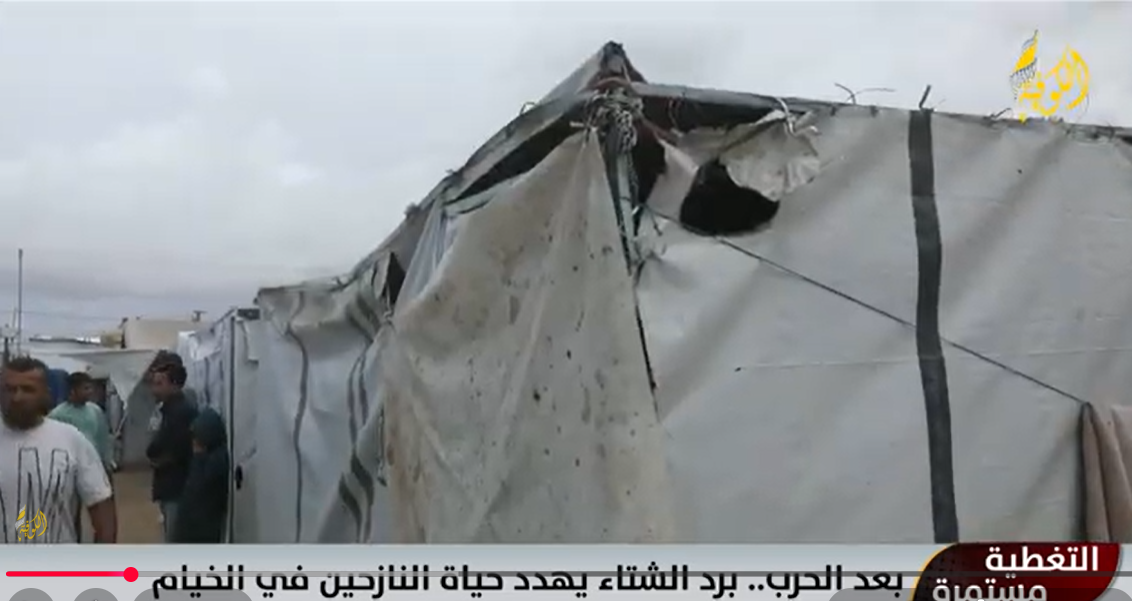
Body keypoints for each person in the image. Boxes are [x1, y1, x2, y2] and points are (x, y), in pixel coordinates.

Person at [0, 356, 117, 543]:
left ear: (46, 394)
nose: (17, 397)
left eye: (28, 389)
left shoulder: (71, 439)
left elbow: (101, 506)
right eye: (10, 389)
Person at [48, 371, 115, 542]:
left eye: (90, 388)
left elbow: (103, 437)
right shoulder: (57, 415)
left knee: (101, 512)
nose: (90, 392)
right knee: (71, 513)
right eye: (85, 388)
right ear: (73, 390)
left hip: (95, 467)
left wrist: (107, 463)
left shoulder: (95, 411)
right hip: (70, 470)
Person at [145, 361, 198, 543]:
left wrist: (157, 459)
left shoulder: (180, 413)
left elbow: (178, 450)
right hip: (171, 482)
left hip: (177, 483)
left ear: (175, 385)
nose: (154, 389)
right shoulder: (168, 410)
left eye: (160, 384)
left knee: (175, 538)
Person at [172, 407, 229, 543]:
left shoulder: (214, 461)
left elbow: (197, 489)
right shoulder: (212, 458)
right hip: (197, 527)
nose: (194, 442)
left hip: (201, 530)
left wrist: (199, 457)